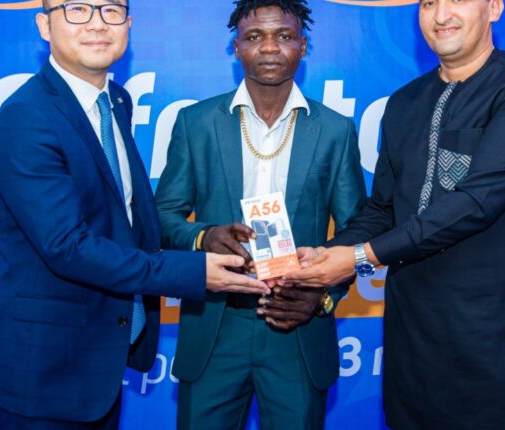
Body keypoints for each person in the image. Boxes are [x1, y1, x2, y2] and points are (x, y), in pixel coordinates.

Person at [285, 0, 505, 428]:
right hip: (414, 346)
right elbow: (383, 209)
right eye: (429, 3)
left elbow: (476, 203)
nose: (441, 15)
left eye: (458, 0)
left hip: (503, 342)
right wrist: (327, 255)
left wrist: (359, 257)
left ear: (494, 7)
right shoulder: (403, 103)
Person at [0, 1, 269, 428]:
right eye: (77, 9)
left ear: (129, 24)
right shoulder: (26, 116)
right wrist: (193, 272)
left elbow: (128, 219)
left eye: (111, 10)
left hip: (101, 354)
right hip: (49, 369)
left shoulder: (115, 101)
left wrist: (203, 236)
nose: (97, 24)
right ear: (44, 25)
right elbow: (68, 247)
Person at [154, 1, 366, 428]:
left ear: (302, 45)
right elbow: (162, 215)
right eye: (254, 37)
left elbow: (355, 231)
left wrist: (322, 297)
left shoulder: (335, 129)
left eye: (284, 36)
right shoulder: (195, 122)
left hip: (296, 326)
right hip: (215, 324)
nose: (269, 47)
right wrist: (203, 237)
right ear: (236, 48)